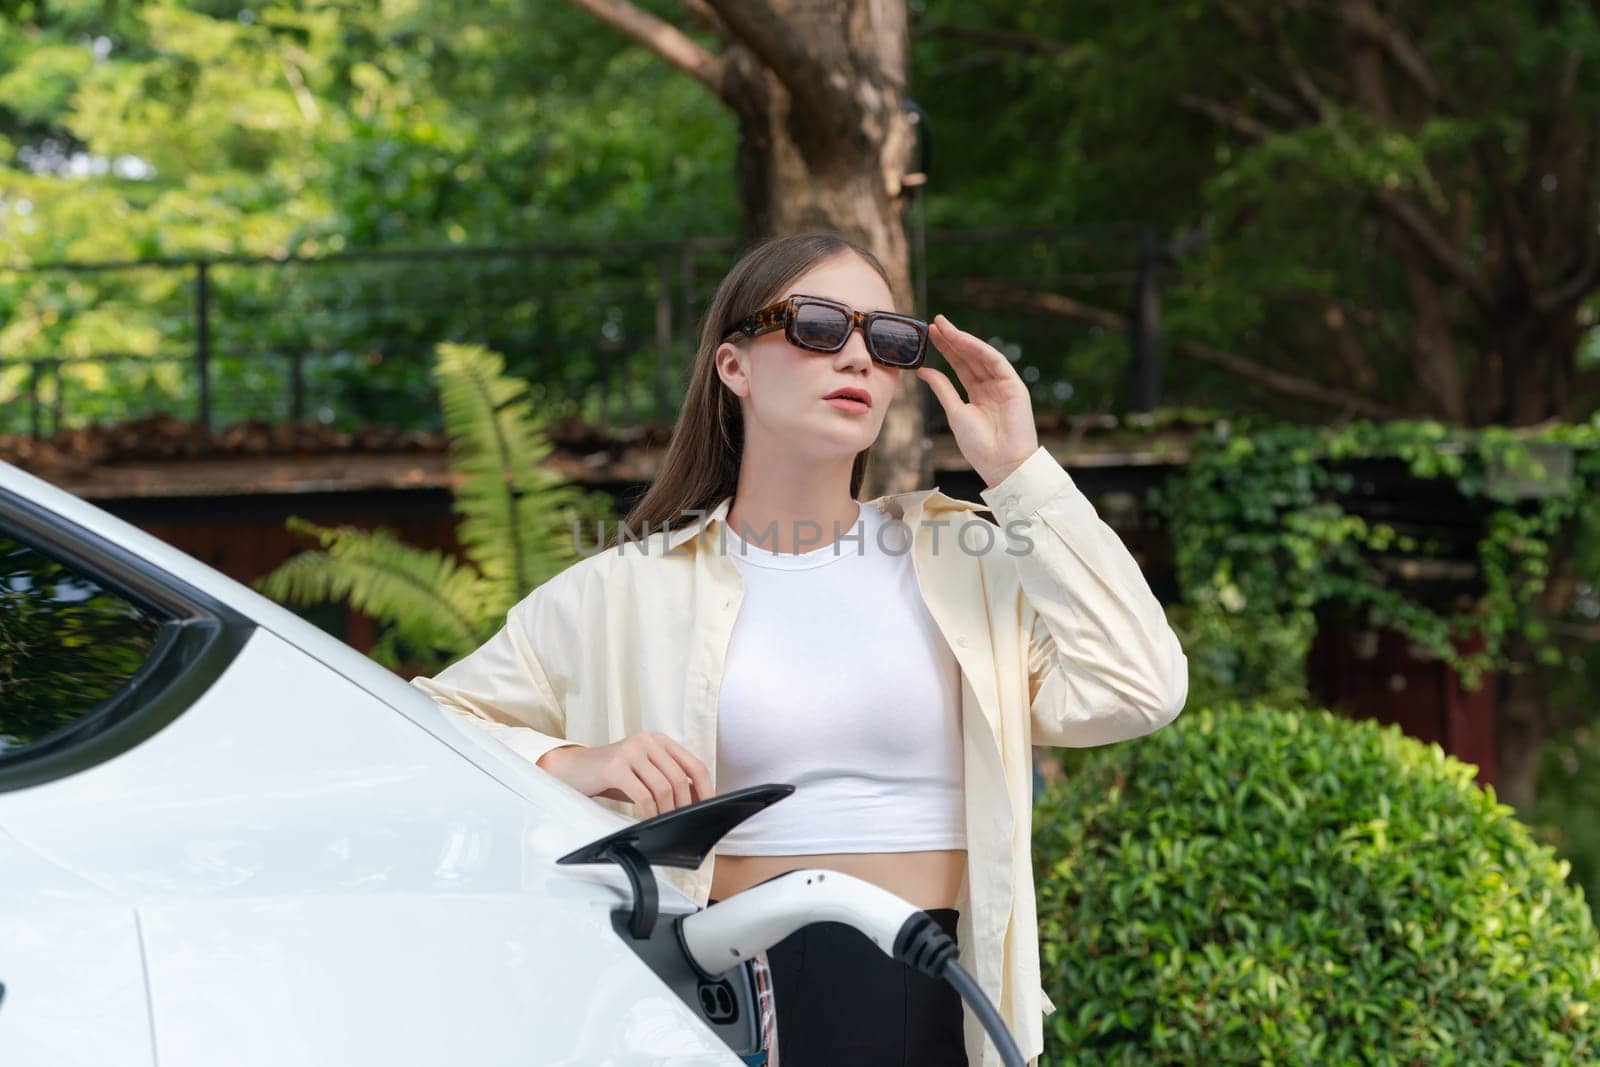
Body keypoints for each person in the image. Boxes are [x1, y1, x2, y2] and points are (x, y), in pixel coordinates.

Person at [409, 231, 1189, 1067]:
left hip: (943, 992)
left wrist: (1021, 474)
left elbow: (1141, 686)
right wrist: (567, 761)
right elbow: (422, 724)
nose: (857, 355)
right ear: (733, 366)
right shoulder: (622, 590)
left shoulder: (969, 566)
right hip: (722, 999)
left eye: (887, 339)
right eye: (819, 324)